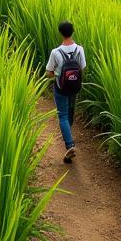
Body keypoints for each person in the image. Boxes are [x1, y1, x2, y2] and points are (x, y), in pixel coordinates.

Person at [45, 20, 86, 163]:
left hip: (61, 87)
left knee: (62, 115)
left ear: (60, 33)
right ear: (73, 31)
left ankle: (70, 145)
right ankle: (68, 136)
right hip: (75, 86)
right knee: (69, 113)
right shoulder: (80, 49)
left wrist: (57, 74)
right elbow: (82, 68)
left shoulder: (55, 52)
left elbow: (48, 73)